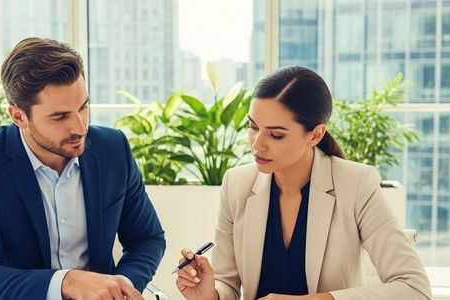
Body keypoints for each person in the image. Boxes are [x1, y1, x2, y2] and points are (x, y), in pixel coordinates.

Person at [174, 66, 432, 300]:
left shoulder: (356, 184)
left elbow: (414, 288)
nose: (257, 144)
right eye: (253, 127)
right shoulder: (237, 184)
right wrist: (211, 295)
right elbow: (227, 284)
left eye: (276, 134)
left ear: (315, 134)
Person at [0, 37, 165, 300]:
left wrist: (119, 288)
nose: (80, 127)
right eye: (60, 116)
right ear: (18, 116)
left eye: (83, 107)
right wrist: (67, 282)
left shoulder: (112, 149)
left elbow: (147, 238)